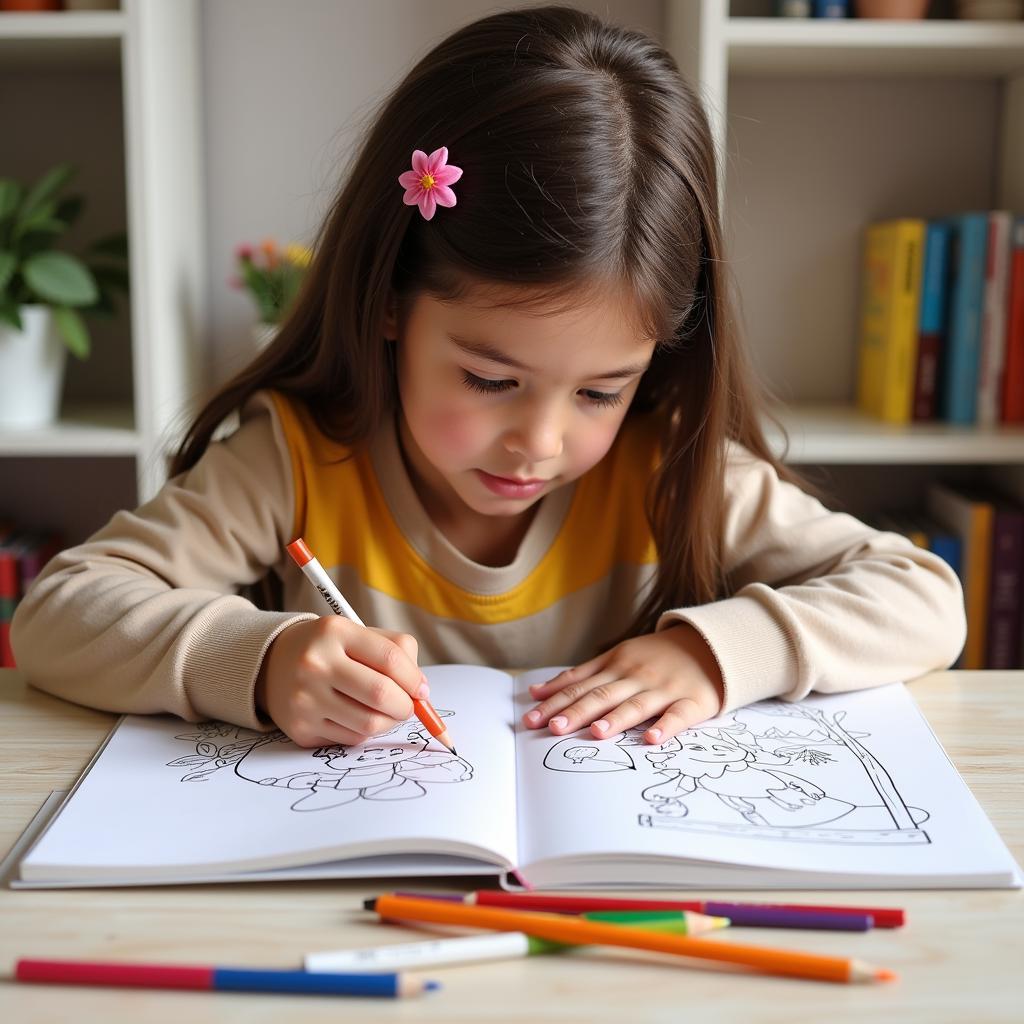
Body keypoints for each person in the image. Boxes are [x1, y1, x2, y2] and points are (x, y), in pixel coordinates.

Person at [11, 6, 965, 752]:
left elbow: (925, 598)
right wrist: (253, 662)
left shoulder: (663, 461)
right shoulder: (301, 462)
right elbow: (58, 615)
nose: (542, 443)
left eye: (600, 390)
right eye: (489, 378)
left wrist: (717, 655)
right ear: (390, 304)